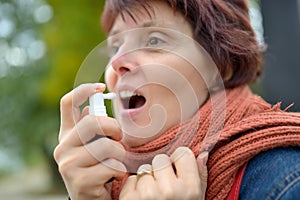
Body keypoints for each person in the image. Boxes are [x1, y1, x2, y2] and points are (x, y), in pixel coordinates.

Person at [53, 0, 300, 199]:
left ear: (219, 67)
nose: (117, 63)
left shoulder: (285, 182)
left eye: (154, 40)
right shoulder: (106, 185)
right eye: (115, 46)